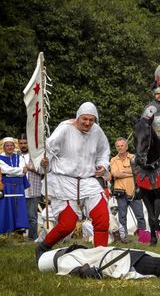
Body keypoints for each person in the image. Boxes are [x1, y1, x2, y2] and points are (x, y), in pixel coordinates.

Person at [35, 102, 111, 260]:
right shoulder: (64, 129)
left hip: (88, 181)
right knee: (67, 226)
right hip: (64, 181)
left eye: (91, 120)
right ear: (78, 117)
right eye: (84, 119)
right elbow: (48, 150)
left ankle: (100, 258)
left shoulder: (97, 131)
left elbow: (104, 151)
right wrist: (44, 163)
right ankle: (43, 247)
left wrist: (103, 165)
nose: (88, 123)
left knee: (102, 219)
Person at [37, 244, 160, 279]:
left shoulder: (77, 252)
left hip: (123, 254)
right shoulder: (65, 261)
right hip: (118, 263)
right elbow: (77, 271)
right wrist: (86, 272)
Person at [108, 137, 146, 243]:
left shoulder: (134, 157)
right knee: (122, 217)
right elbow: (115, 174)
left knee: (140, 216)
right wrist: (130, 172)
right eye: (118, 146)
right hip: (121, 193)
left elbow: (138, 171)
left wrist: (123, 172)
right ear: (116, 148)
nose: (120, 148)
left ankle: (143, 238)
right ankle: (123, 238)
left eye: (122, 145)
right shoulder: (113, 160)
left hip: (134, 192)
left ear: (126, 146)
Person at [0, 137, 30, 235]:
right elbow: (5, 170)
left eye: (11, 145)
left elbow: (22, 173)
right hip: (6, 187)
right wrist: (20, 171)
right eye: (7, 145)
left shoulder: (19, 157)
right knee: (6, 208)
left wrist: (16, 172)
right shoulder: (0, 158)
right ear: (4, 147)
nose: (10, 147)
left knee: (19, 209)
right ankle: (6, 232)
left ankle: (19, 231)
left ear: (14, 147)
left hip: (18, 187)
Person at [19, 134, 43, 241]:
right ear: (18, 144)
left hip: (33, 189)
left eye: (25, 143)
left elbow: (43, 170)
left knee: (32, 217)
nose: (23, 145)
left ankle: (32, 238)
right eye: (21, 143)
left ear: (29, 144)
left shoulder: (36, 156)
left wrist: (29, 167)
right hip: (19, 190)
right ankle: (18, 237)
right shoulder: (16, 156)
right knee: (18, 215)